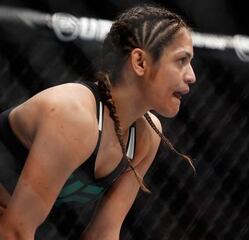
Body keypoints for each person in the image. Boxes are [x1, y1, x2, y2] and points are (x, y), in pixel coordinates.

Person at [0, 4, 196, 239]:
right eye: (181, 60)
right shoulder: (74, 116)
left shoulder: (146, 137)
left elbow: (104, 233)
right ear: (140, 62)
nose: (191, 76)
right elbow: (14, 230)